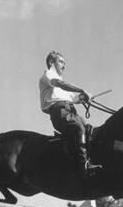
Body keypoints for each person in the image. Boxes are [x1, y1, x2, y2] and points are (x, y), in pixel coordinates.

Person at [39, 50, 99, 178]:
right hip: (59, 112)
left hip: (70, 111)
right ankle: (83, 166)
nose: (64, 65)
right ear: (51, 62)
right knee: (79, 127)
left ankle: (87, 160)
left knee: (87, 129)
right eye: (61, 61)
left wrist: (84, 97)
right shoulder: (48, 75)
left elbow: (74, 99)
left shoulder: (60, 85)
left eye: (64, 63)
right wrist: (82, 90)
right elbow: (61, 84)